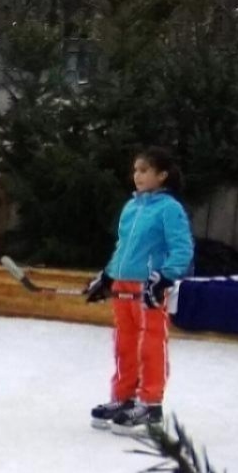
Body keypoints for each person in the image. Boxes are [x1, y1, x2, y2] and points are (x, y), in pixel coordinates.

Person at [84, 147, 195, 434]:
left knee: (150, 345)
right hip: (123, 285)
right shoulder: (131, 207)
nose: (138, 175)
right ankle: (123, 397)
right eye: (135, 170)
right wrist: (107, 277)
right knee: (124, 344)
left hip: (149, 288)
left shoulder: (170, 209)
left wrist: (165, 278)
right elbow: (123, 248)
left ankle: (150, 404)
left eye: (144, 170)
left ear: (162, 175)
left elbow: (182, 248)